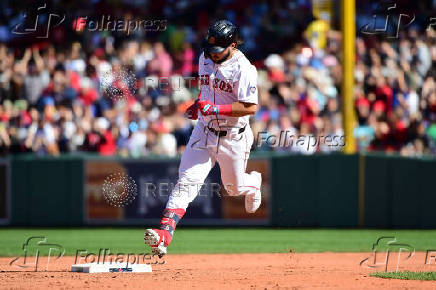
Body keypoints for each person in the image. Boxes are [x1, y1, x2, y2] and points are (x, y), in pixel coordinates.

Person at [144, 20, 262, 257]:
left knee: (233, 188)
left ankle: (253, 183)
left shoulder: (245, 69)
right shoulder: (205, 57)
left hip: (233, 138)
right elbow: (207, 90)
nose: (212, 55)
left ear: (232, 45)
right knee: (186, 182)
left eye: (218, 50)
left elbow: (250, 107)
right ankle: (165, 235)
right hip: (204, 131)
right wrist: (198, 106)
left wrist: (216, 110)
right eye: (209, 49)